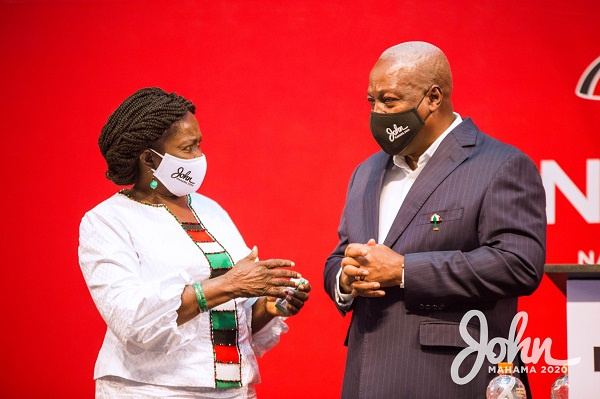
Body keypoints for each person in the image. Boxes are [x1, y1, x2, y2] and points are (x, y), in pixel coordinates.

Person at [323, 42, 546, 398]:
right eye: (372, 101)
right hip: (366, 377)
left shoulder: (501, 165)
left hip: (453, 377)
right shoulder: (366, 172)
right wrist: (345, 279)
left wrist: (404, 271)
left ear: (434, 98)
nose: (378, 112)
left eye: (389, 100)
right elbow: (339, 256)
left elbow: (518, 264)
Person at [79, 87, 311, 398]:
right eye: (188, 148)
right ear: (149, 158)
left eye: (200, 145)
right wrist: (231, 284)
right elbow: (130, 319)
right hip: (151, 390)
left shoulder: (210, 210)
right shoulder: (108, 221)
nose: (199, 157)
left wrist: (269, 306)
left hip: (232, 390)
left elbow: (230, 320)